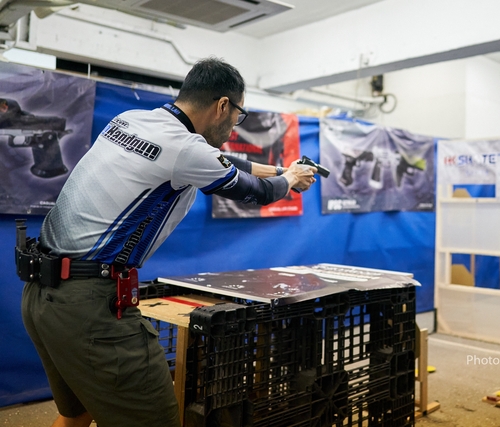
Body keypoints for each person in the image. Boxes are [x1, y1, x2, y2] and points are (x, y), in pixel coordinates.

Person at [20, 57, 317, 427]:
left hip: (41, 296)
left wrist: (281, 169)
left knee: (76, 417)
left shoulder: (131, 120)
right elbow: (255, 191)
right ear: (223, 105)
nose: (233, 126)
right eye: (237, 115)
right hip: (90, 308)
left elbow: (219, 160)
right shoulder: (185, 149)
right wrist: (288, 180)